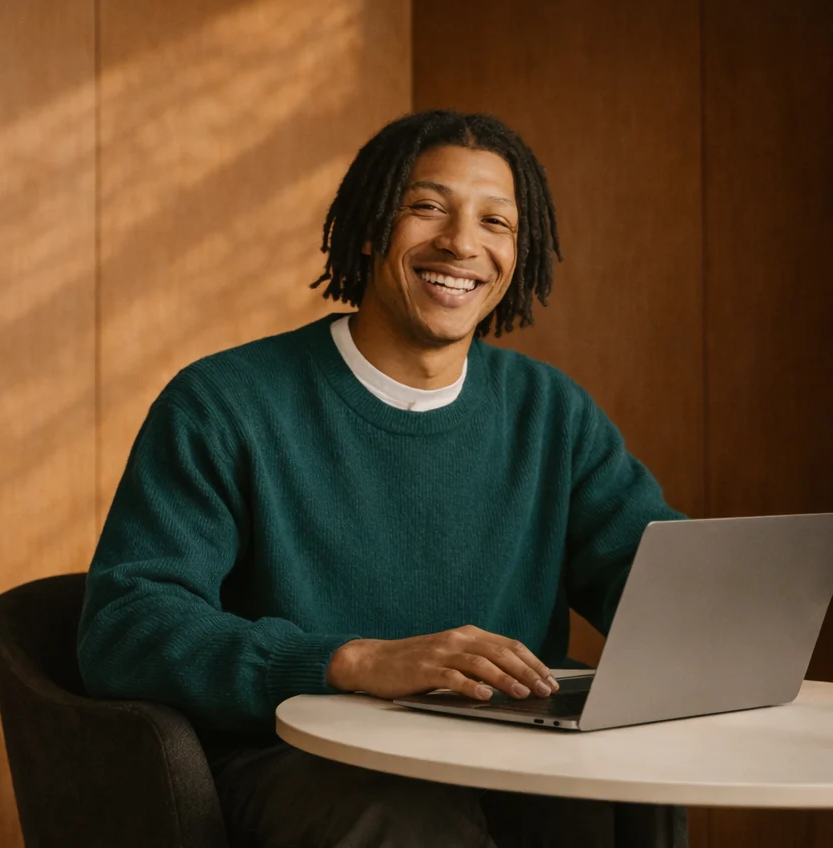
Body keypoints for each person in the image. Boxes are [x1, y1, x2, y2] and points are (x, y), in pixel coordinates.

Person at [76, 110, 685, 847]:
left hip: (511, 757)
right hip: (303, 761)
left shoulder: (550, 412)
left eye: (496, 222)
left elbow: (652, 580)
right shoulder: (223, 404)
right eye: (427, 207)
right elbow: (127, 627)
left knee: (620, 807)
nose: (462, 243)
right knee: (407, 824)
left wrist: (723, 620)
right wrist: (353, 661)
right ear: (369, 228)